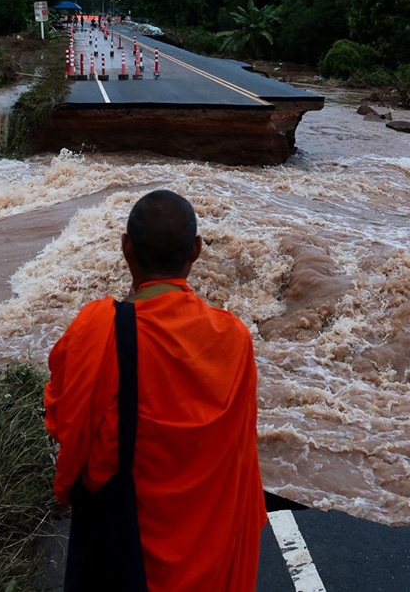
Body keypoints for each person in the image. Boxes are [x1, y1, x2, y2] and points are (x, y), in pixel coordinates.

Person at [44, 190, 266, 591]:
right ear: (196, 250)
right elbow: (239, 452)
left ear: (126, 247)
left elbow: (64, 419)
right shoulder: (233, 338)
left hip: (121, 552)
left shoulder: (98, 329)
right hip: (208, 553)